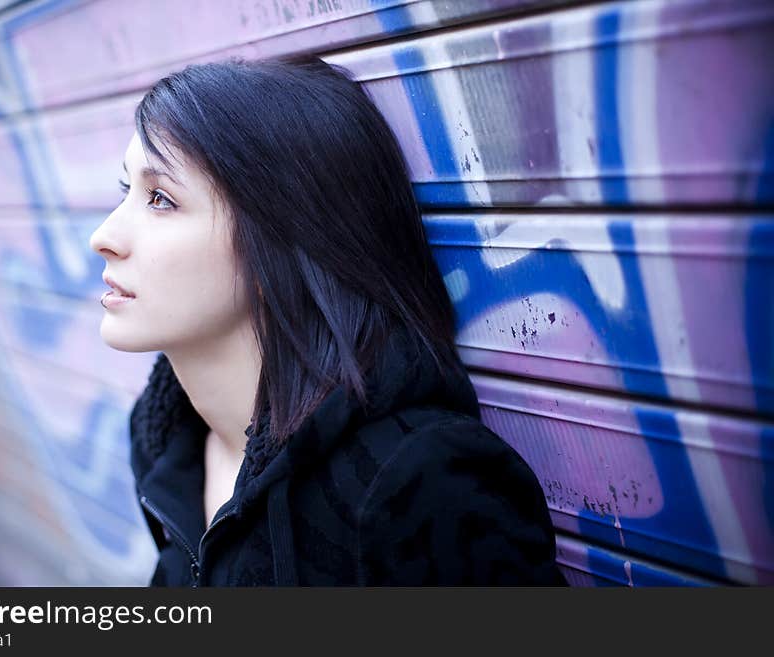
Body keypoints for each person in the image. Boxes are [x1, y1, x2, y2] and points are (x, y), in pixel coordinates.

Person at [88, 56, 567, 586]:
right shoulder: (167, 445)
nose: (104, 236)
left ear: (283, 240)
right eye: (125, 191)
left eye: (161, 199)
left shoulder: (415, 481)